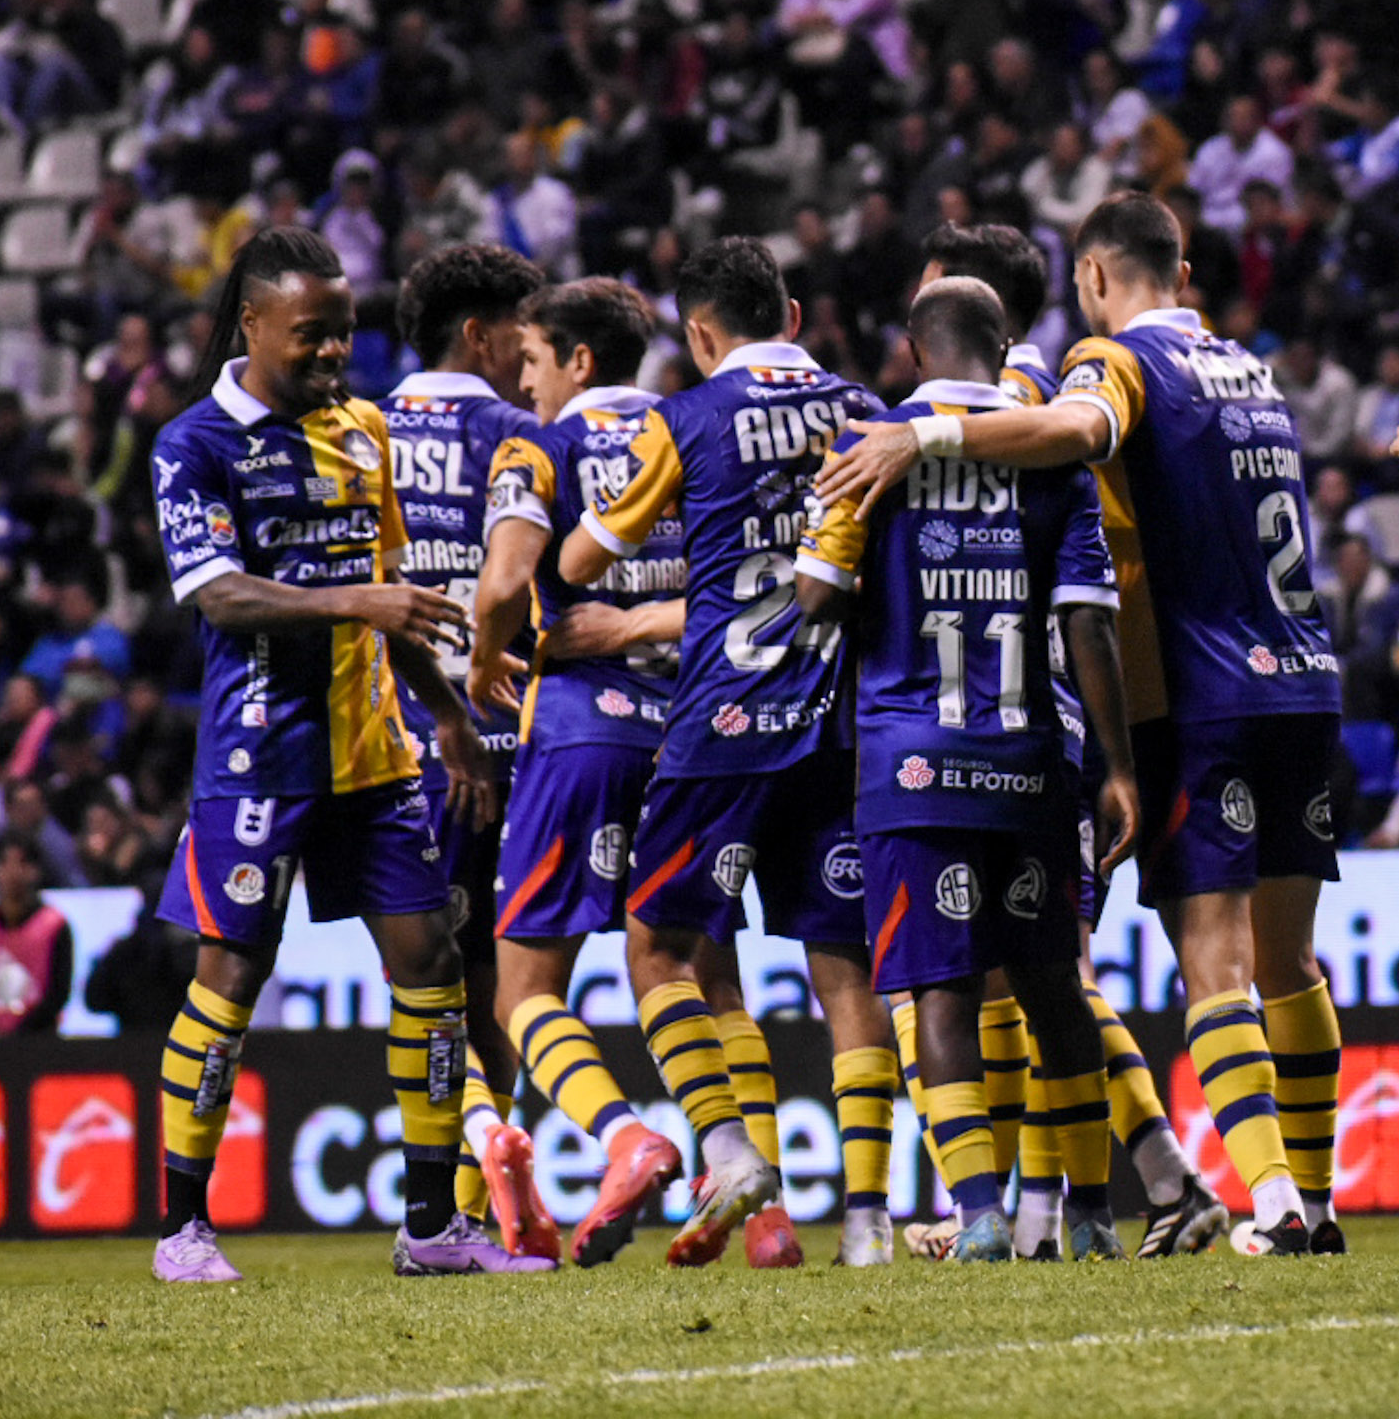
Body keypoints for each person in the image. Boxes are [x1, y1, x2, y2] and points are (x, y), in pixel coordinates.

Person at [815, 194, 1347, 1259]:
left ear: (1093, 277)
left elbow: (1076, 441)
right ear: (1183, 268)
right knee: (1271, 964)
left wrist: (924, 432)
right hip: (1304, 674)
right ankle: (1233, 1199)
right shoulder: (1253, 368)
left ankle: (1236, 1202)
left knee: (1170, 967)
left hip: (1175, 699)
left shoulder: (1096, 370)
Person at [144, 225, 549, 1283]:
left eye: (344, 334)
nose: (332, 355)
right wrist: (358, 599)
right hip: (258, 761)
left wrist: (447, 716)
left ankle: (431, 1227)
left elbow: (397, 601)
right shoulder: (193, 444)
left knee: (430, 962)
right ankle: (184, 1227)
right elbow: (216, 593)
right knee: (229, 977)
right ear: (253, 323)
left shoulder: (363, 429)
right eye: (311, 336)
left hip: (375, 754)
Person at [556, 238, 899, 1268]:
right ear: (790, 313)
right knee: (844, 971)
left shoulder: (686, 415)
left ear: (699, 333)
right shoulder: (866, 410)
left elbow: (581, 560)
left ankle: (729, 1147)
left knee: (659, 948)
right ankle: (872, 1219)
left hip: (725, 722)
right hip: (841, 720)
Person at [794, 279, 1137, 1261]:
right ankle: (1088, 1212)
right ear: (1007, 345)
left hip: (912, 766)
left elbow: (818, 594)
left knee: (939, 991)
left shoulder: (869, 448)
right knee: (1050, 987)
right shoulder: (1053, 452)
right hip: (1032, 761)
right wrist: (1114, 765)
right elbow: (1090, 622)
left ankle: (980, 1212)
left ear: (911, 349)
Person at [910, 222, 1219, 1257]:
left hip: (1027, 712)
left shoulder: (1018, 409)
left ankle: (1123, 1188)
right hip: (1044, 713)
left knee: (1043, 975)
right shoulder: (1026, 397)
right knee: (1032, 974)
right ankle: (1062, 1205)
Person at [465, 279, 695, 1265]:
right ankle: (756, 1195)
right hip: (690, 734)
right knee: (685, 971)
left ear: (580, 361)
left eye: (533, 361)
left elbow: (510, 580)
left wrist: (484, 654)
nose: (525, 381)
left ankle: (623, 1135)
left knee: (521, 988)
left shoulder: (541, 446)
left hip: (579, 732)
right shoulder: (693, 434)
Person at [383, 243, 552, 1259]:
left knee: (423, 982)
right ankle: (491, 1188)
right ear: (478, 334)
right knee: (503, 980)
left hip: (391, 750)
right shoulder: (519, 435)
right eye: (520, 336)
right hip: (510, 744)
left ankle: (468, 1173)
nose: (527, 356)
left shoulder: (357, 434)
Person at [0, 832, 73, 1037]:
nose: (13, 872)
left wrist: (23, 1033)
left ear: (36, 871)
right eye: (4, 863)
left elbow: (59, 992)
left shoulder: (55, 925)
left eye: (22, 863)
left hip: (40, 1042)